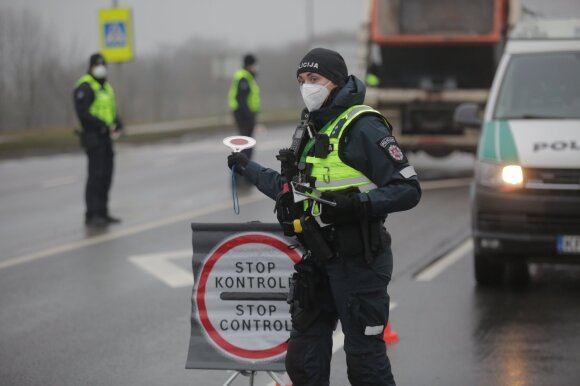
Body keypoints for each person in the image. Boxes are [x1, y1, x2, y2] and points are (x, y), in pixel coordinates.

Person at [227, 47, 421, 385]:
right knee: (303, 362)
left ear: (336, 81)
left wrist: (360, 204)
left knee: (365, 364)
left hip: (360, 262)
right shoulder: (310, 128)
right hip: (317, 260)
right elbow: (292, 192)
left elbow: (408, 189)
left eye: (314, 79)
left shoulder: (364, 126)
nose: (307, 87)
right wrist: (249, 168)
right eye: (302, 80)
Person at [73, 53, 123, 227]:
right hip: (93, 137)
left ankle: (103, 211)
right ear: (91, 66)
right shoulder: (85, 86)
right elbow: (83, 114)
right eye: (97, 65)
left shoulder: (106, 87)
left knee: (107, 175)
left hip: (106, 137)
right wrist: (101, 124)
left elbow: (111, 110)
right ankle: (92, 214)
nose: (101, 68)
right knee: (96, 175)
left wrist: (117, 122)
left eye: (103, 65)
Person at [228, 53, 261, 160]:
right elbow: (241, 99)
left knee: (247, 143)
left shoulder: (247, 76)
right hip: (244, 115)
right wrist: (249, 117)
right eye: (254, 65)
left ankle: (244, 167)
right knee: (246, 144)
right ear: (250, 65)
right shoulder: (243, 77)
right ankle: (242, 169)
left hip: (246, 115)